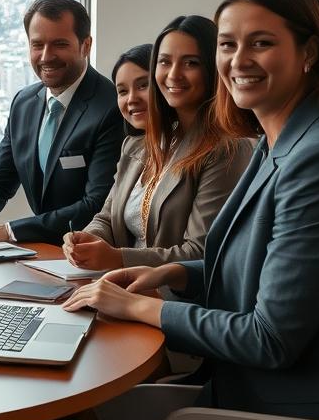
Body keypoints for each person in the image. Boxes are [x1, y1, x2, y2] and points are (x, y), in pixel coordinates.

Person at [63, 0, 319, 420]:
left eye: (261, 43)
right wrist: (174, 273)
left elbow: (270, 338)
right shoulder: (277, 139)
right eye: (227, 44)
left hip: (305, 406)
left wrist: (138, 307)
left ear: (309, 52)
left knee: (82, 411)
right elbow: (261, 267)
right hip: (256, 385)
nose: (238, 61)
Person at [65, 19, 251, 270]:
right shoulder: (137, 144)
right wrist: (89, 239)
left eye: (191, 63)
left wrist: (118, 258)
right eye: (165, 62)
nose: (174, 74)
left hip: (172, 299)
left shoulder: (227, 149)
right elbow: (107, 217)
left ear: (213, 67)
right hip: (123, 285)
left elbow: (201, 251)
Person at [0, 0, 124, 244]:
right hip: (42, 253)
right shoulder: (24, 102)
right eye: (37, 45)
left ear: (86, 45)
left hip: (94, 252)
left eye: (59, 44)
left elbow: (96, 205)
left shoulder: (111, 107)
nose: (45, 56)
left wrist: (8, 231)